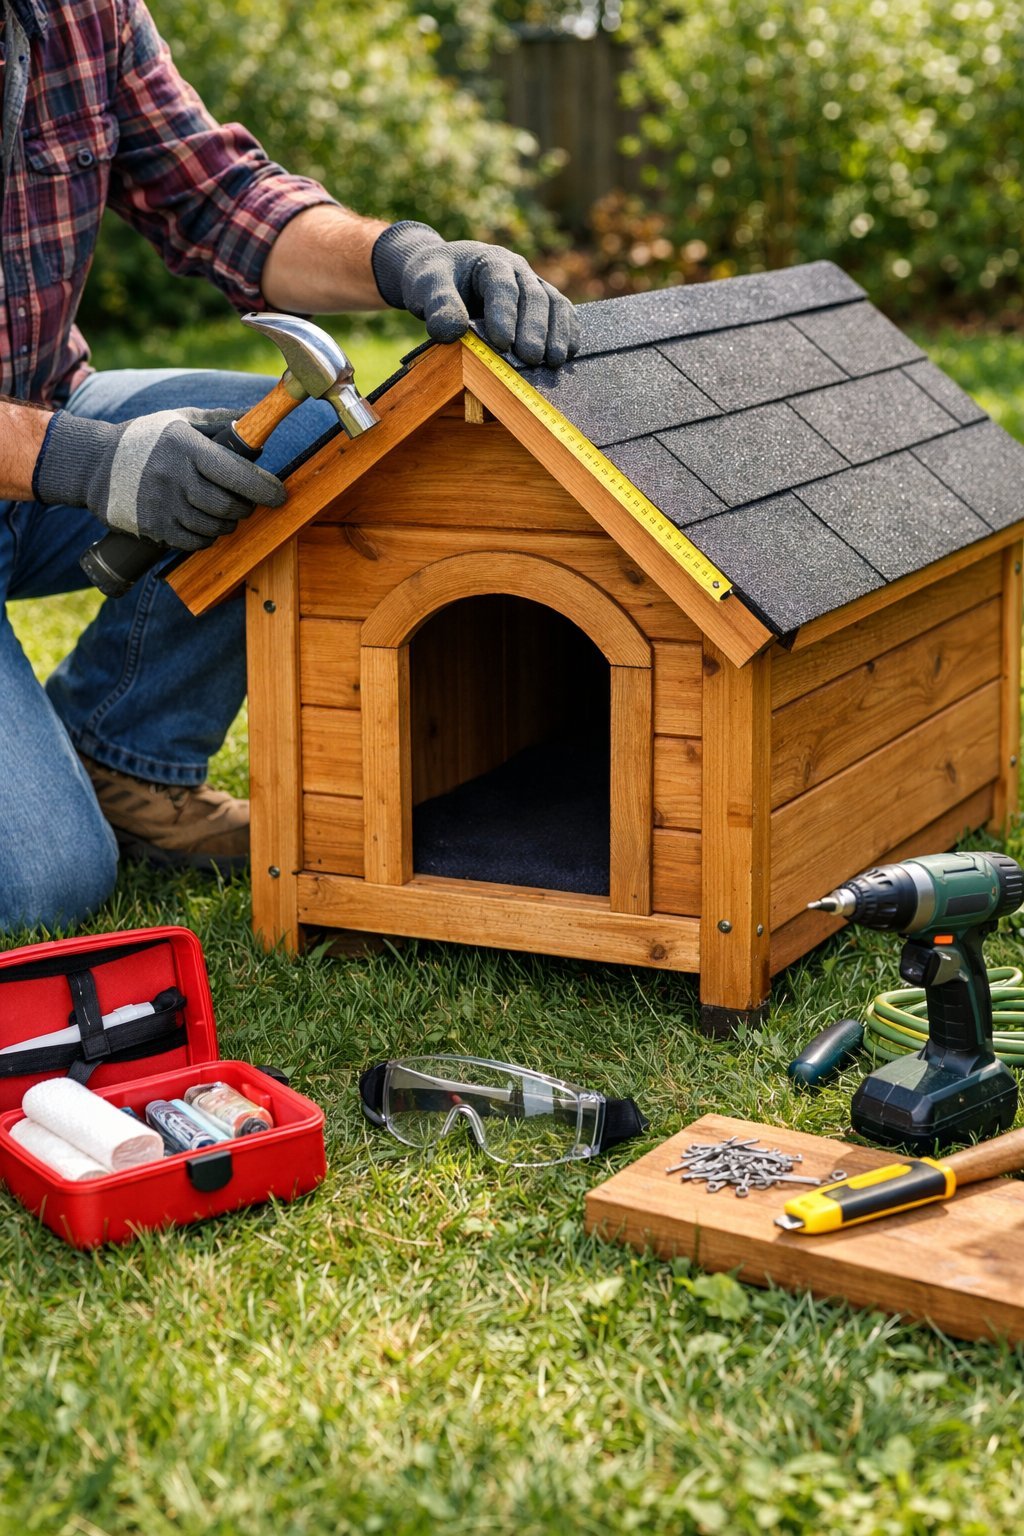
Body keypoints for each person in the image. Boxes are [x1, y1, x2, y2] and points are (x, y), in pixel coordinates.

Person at [0, 0, 579, 932]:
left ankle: (125, 761)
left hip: (39, 424)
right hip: (50, 450)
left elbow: (223, 198)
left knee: (303, 436)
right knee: (37, 884)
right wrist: (84, 459)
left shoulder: (81, 11)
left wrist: (401, 256)